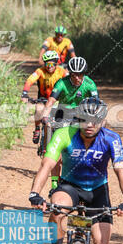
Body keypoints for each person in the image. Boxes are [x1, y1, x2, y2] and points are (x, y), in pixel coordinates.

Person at [29, 97, 123, 244]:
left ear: (103, 121)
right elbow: (47, 165)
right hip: (70, 186)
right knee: (57, 207)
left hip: (97, 190)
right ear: (77, 119)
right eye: (84, 119)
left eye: (95, 121)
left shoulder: (111, 139)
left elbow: (121, 172)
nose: (89, 125)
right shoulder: (63, 134)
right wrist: (35, 193)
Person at [41, 56, 98, 190]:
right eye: (74, 75)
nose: (77, 78)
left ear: (84, 73)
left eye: (80, 75)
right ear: (70, 73)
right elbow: (50, 102)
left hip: (81, 115)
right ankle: (55, 182)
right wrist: (45, 116)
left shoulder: (89, 84)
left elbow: (96, 105)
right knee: (57, 152)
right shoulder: (61, 83)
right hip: (63, 114)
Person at [20, 50, 67, 143]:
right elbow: (30, 81)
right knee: (38, 109)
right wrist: (24, 93)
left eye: (52, 64)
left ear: (56, 63)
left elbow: (70, 82)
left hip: (58, 99)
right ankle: (37, 128)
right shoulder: (40, 71)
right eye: (47, 65)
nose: (49, 67)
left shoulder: (62, 71)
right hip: (43, 98)